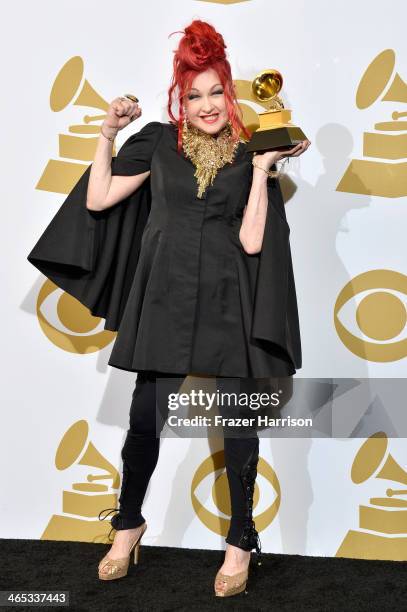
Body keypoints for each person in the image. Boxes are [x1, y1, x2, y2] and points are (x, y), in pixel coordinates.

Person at [27, 19, 310, 597]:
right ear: (179, 98)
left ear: (229, 92)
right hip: (165, 296)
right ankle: (127, 528)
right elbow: (100, 197)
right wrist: (106, 133)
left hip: (231, 299)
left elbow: (254, 242)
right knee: (143, 421)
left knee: (238, 426)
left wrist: (261, 170)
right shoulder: (159, 140)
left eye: (214, 92)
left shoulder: (253, 146)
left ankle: (240, 540)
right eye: (193, 94)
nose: (205, 105)